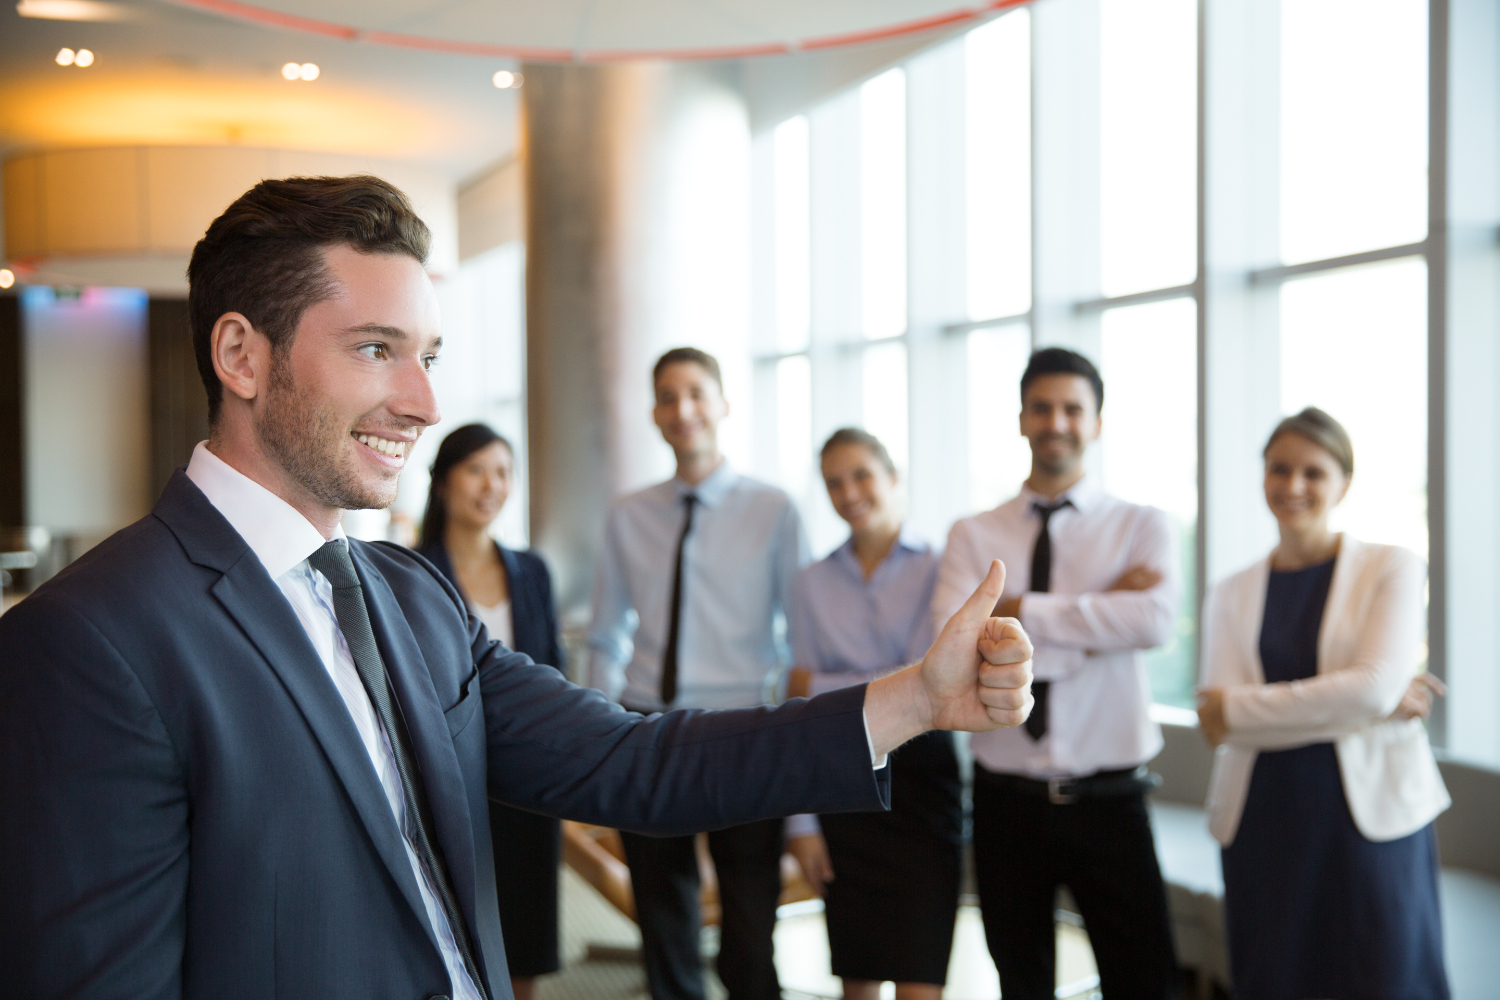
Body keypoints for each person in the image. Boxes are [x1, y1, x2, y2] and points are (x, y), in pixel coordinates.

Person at [0, 175, 1038, 1000]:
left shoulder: (412, 596)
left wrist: (916, 700)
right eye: (377, 350)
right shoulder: (88, 641)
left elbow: (638, 760)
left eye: (430, 356)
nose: (423, 401)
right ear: (241, 354)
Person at [932, 347, 1180, 1000]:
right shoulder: (972, 533)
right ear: (1021, 420)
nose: (1057, 422)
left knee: (1144, 982)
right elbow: (954, 647)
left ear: (1097, 422)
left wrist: (1017, 615)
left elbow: (1154, 622)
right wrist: (1101, 617)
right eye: (1042, 408)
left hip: (1112, 798)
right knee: (1021, 982)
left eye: (1073, 408)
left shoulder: (1142, 526)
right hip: (1003, 800)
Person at [1196, 407, 1452, 1000]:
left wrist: (1367, 696)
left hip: (1369, 826)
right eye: (1279, 469)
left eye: (1313, 472)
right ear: (1262, 477)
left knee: (1386, 980)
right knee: (1275, 982)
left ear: (1343, 482)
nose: (1293, 486)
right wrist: (1370, 702)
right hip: (1264, 822)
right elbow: (1218, 722)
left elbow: (1365, 687)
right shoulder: (1230, 591)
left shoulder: (1391, 565)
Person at [587, 346, 807, 1000]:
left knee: (749, 917)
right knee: (663, 915)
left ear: (722, 404)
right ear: (655, 413)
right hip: (646, 727)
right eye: (667, 397)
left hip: (743, 725)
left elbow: (800, 636)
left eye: (695, 393)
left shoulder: (774, 509)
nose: (682, 409)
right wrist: (602, 736)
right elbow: (604, 633)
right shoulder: (629, 514)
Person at [783, 428, 961, 1000]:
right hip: (844, 783)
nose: (849, 492)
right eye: (834, 482)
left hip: (924, 787)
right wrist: (802, 824)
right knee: (855, 984)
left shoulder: (941, 567)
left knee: (920, 983)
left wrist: (831, 684)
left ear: (892, 476)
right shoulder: (810, 583)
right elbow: (801, 704)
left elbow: (938, 676)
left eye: (861, 475)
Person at [416, 423, 565, 1000]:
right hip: (449, 778)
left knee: (524, 928)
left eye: (502, 472)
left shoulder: (531, 571)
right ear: (444, 482)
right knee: (451, 922)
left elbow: (551, 672)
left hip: (528, 777)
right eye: (476, 469)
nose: (491, 485)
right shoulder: (410, 574)